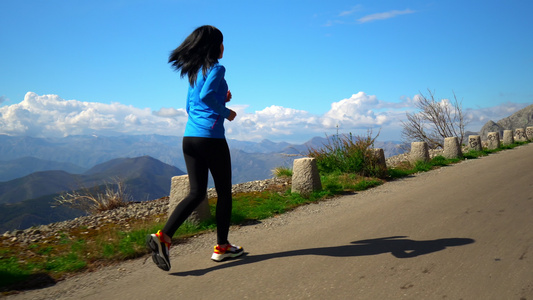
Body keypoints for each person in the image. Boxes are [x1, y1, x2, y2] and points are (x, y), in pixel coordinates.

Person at [146, 25, 243, 271]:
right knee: (224, 193)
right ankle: (222, 247)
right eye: (222, 42)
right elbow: (206, 98)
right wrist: (226, 112)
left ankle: (163, 237)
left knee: (197, 193)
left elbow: (192, 106)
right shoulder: (218, 68)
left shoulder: (196, 71)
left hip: (190, 138)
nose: (224, 47)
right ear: (215, 46)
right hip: (211, 138)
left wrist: (221, 98)